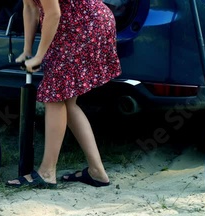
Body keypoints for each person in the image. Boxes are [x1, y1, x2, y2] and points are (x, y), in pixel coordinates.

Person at [7, 0, 122, 188]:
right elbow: (30, 6)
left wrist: (39, 56)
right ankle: (97, 172)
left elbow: (53, 13)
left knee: (55, 94)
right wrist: (28, 51)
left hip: (85, 24)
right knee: (67, 101)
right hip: (68, 26)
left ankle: (47, 172)